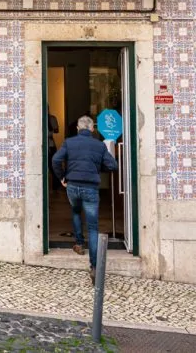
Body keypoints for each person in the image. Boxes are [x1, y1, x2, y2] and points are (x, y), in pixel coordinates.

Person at [51, 115, 118, 284]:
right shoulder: (99, 146)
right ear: (92, 129)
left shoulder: (69, 142)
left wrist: (62, 178)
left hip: (72, 186)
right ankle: (94, 267)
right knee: (93, 227)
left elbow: (55, 159)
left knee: (75, 210)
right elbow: (113, 165)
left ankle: (79, 243)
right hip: (90, 188)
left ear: (77, 129)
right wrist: (96, 168)